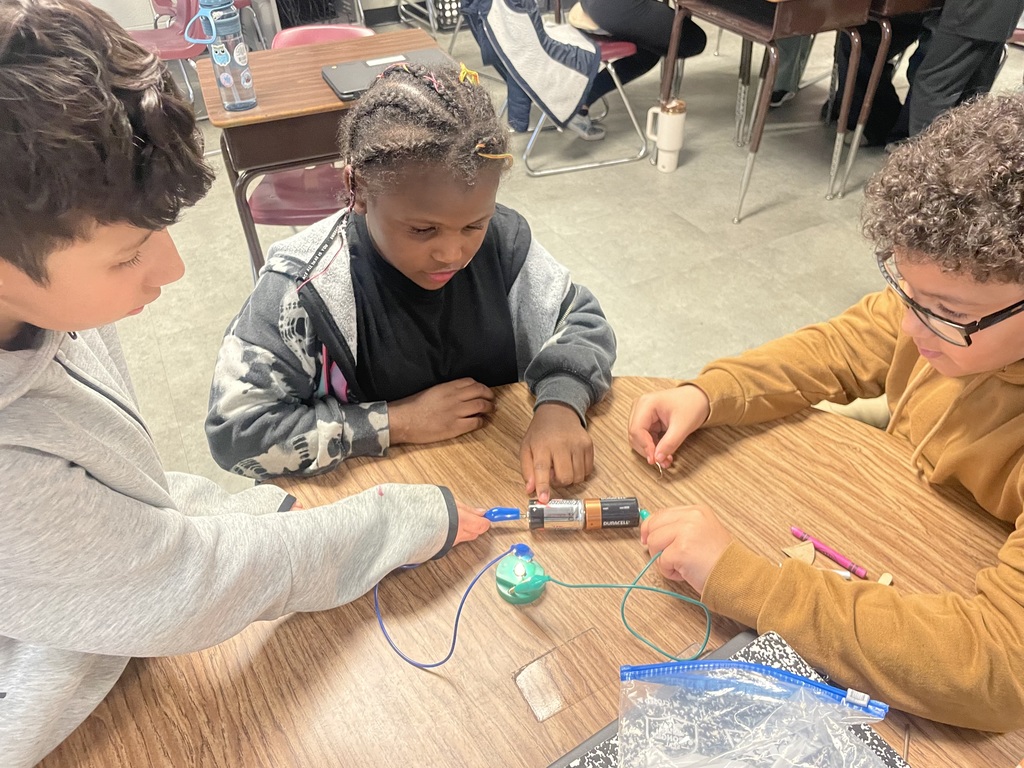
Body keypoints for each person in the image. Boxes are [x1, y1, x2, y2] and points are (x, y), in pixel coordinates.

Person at [0, 2, 490, 764]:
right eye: (128, 256)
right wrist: (401, 518)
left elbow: (114, 495)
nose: (172, 272)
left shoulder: (43, 298)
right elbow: (181, 583)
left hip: (111, 635)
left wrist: (241, 509)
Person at [627, 92, 1024, 731]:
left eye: (947, 312)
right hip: (917, 531)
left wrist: (745, 581)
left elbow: (998, 670)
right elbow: (839, 346)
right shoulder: (946, 313)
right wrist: (710, 393)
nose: (911, 327)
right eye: (905, 292)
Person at [205, 62, 616, 504]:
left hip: (491, 486)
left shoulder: (503, 243)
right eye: (423, 230)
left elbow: (582, 321)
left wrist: (560, 404)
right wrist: (395, 422)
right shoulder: (304, 288)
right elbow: (237, 433)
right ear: (357, 189)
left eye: (473, 225)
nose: (452, 254)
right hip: (372, 508)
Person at [572, 0, 707, 140]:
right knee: (694, 40)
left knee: (647, 55)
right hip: (611, 7)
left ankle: (580, 100)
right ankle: (576, 102)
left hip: (592, 4)